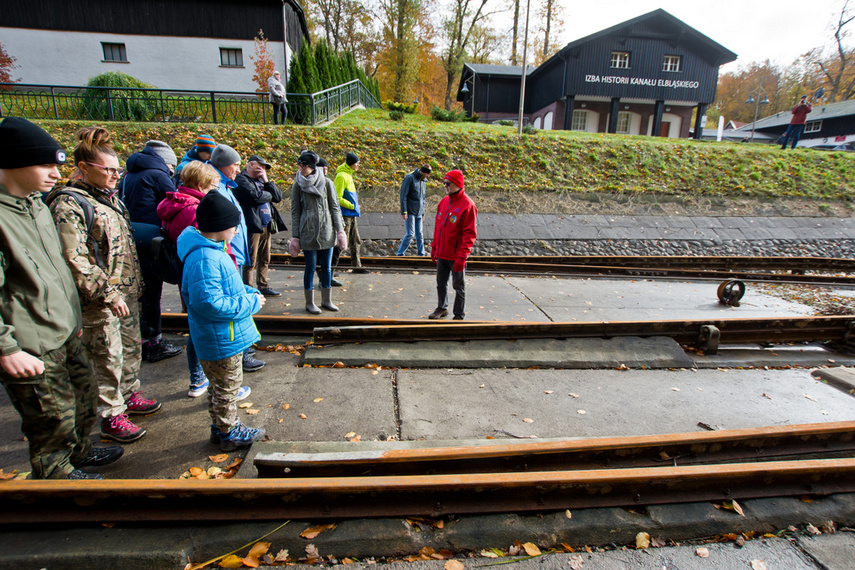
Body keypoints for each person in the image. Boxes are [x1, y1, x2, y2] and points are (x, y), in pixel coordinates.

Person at [0, 117, 123, 479]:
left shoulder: (34, 205)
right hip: (32, 340)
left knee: (83, 400)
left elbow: (57, 269)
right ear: (10, 162)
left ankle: (80, 454)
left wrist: (73, 320)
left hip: (64, 329)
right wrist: (6, 348)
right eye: (45, 165)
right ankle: (56, 477)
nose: (56, 173)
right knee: (50, 416)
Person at [48, 127, 162, 444]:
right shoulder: (70, 205)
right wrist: (107, 292)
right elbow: (74, 258)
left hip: (124, 295)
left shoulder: (110, 199)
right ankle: (111, 415)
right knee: (105, 358)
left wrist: (133, 285)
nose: (115, 175)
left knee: (128, 347)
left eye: (117, 169)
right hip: (99, 302)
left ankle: (128, 394)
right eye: (108, 169)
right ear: (84, 168)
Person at [177, 192, 267, 451]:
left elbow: (225, 290)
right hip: (221, 339)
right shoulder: (206, 258)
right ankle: (230, 433)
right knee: (227, 387)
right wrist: (250, 304)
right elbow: (209, 303)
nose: (238, 231)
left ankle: (220, 428)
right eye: (235, 226)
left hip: (220, 336)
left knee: (219, 387)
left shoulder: (210, 252)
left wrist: (248, 293)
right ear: (221, 227)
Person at [156, 161, 249, 401]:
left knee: (197, 325)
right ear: (201, 185)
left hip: (190, 275)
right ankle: (215, 382)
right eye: (214, 186)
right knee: (207, 329)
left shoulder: (177, 203)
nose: (216, 192)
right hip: (206, 277)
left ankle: (202, 379)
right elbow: (213, 244)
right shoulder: (196, 209)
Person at [120, 140, 183, 363]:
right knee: (153, 293)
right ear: (165, 162)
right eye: (172, 167)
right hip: (153, 241)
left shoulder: (128, 175)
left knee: (139, 292)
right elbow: (175, 202)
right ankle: (155, 343)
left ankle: (141, 340)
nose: (172, 171)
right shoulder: (158, 175)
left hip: (131, 239)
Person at [209, 144, 265, 372]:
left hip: (232, 252)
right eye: (236, 164)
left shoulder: (225, 185)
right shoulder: (216, 187)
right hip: (227, 253)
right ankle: (239, 355)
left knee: (239, 297)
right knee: (233, 304)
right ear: (224, 165)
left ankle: (242, 350)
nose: (238, 168)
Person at [290, 152, 346, 314]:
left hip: (327, 230)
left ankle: (327, 300)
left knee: (327, 268)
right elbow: (295, 212)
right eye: (299, 165)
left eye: (304, 166)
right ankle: (309, 303)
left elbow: (335, 208)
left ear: (313, 166)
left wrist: (340, 231)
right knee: (310, 267)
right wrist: (295, 236)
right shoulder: (298, 185)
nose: (301, 169)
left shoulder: (327, 183)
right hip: (307, 231)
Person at [429, 170, 477, 321]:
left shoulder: (468, 206)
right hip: (443, 253)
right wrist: (434, 246)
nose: (445, 186)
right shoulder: (444, 202)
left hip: (456, 256)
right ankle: (442, 307)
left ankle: (458, 314)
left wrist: (462, 257)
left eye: (448, 183)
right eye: (444, 183)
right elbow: (438, 227)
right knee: (440, 283)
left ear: (458, 184)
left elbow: (469, 235)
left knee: (459, 287)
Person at [233, 155, 283, 296]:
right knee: (250, 259)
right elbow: (254, 197)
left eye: (265, 167)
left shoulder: (261, 181)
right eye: (260, 165)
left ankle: (263, 285)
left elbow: (278, 197)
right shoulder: (241, 179)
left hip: (266, 225)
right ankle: (248, 289)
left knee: (265, 258)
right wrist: (267, 194)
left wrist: (266, 181)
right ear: (250, 164)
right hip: (252, 225)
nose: (262, 169)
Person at [333, 152, 367, 273]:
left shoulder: (348, 175)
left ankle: (357, 266)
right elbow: (337, 197)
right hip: (345, 214)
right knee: (341, 242)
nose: (358, 165)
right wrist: (351, 205)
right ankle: (330, 270)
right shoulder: (341, 176)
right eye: (357, 163)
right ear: (352, 163)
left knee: (355, 240)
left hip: (351, 214)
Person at [397, 164, 432, 256]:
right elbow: (403, 196)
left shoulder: (423, 181)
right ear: (423, 172)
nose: (428, 176)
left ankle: (421, 254)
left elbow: (423, 198)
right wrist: (404, 211)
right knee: (410, 234)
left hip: (419, 212)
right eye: (427, 174)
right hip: (410, 211)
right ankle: (400, 253)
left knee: (420, 234)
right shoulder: (410, 178)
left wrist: (423, 212)